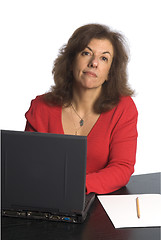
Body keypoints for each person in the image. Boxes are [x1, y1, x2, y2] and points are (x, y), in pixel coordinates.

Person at [25, 23, 138, 194]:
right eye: (86, 53)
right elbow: (29, 165)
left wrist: (76, 185)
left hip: (99, 202)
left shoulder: (123, 108)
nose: (94, 63)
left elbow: (122, 167)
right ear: (71, 61)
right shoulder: (41, 108)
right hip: (48, 198)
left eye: (104, 58)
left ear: (110, 73)